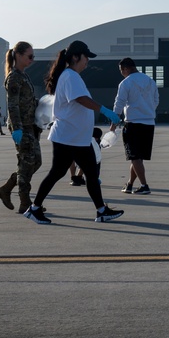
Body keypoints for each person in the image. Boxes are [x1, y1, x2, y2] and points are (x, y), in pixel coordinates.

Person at [24, 40, 124, 224]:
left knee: (85, 173)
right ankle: (35, 208)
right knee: (66, 172)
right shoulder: (70, 76)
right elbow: (80, 99)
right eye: (86, 57)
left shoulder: (70, 75)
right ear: (76, 56)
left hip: (74, 136)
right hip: (69, 136)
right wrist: (104, 110)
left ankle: (100, 211)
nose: (88, 61)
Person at [0, 41, 42, 214]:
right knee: (27, 162)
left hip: (30, 125)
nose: (32, 59)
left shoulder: (24, 75)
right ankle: (25, 202)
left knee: (34, 162)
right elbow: (12, 105)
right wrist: (17, 128)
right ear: (19, 55)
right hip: (22, 126)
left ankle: (7, 188)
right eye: (29, 56)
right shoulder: (14, 77)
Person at [112, 57, 159, 195]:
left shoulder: (126, 83)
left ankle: (144, 185)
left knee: (134, 156)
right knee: (138, 157)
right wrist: (147, 110)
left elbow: (119, 103)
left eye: (121, 70)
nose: (121, 73)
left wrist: (114, 123)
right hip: (149, 123)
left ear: (126, 68)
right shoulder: (150, 81)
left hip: (133, 123)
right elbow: (156, 100)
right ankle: (130, 184)